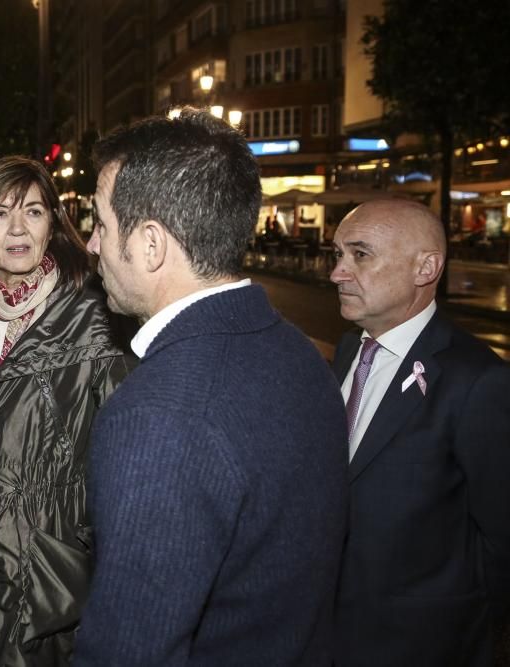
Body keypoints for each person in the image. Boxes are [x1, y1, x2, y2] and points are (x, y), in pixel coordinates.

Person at [74, 111, 348, 666]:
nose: (91, 244)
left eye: (100, 224)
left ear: (151, 244)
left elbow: (129, 651)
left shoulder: (158, 416)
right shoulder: (299, 352)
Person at [0, 156, 132, 666]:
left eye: (32, 212)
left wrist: (82, 551)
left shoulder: (96, 318)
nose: (16, 228)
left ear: (53, 223)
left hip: (51, 589)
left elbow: (123, 462)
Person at [329, 199, 510, 666]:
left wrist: (452, 628)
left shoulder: (478, 381)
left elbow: (500, 540)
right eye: (338, 255)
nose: (337, 273)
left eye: (360, 255)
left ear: (426, 267)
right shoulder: (350, 351)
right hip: (328, 634)